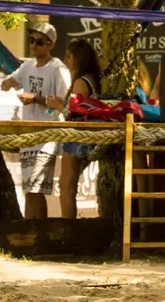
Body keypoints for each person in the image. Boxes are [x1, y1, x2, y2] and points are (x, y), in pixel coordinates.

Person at [0, 22, 70, 219]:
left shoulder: (58, 69)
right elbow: (9, 83)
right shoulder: (27, 66)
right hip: (29, 137)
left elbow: (62, 103)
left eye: (39, 42)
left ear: (51, 45)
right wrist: (8, 83)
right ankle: (35, 232)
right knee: (30, 190)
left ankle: (35, 231)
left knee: (35, 190)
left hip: (47, 137)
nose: (34, 46)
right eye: (31, 41)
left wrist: (35, 99)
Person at [59, 39, 102, 219]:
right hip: (90, 135)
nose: (66, 61)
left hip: (77, 137)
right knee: (68, 186)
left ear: (78, 59)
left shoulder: (80, 83)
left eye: (69, 57)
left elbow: (75, 111)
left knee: (66, 187)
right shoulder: (93, 79)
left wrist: (57, 105)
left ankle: (67, 227)